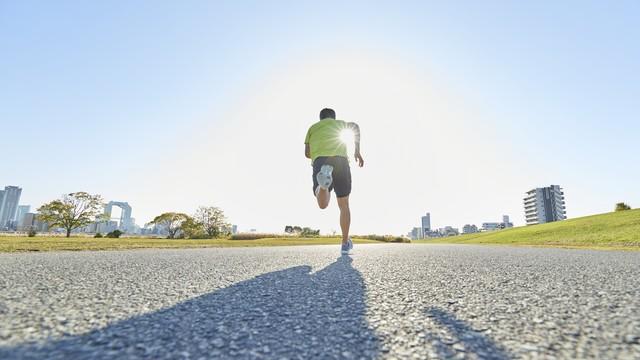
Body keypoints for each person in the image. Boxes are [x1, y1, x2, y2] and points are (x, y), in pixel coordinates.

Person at [304, 108, 364, 254]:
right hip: (341, 161)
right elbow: (355, 126)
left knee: (323, 204)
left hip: (321, 162)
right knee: (344, 205)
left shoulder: (313, 128)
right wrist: (357, 150)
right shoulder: (340, 124)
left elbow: (307, 153)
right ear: (333, 117)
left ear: (320, 118)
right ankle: (345, 243)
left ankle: (323, 186)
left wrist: (318, 152)